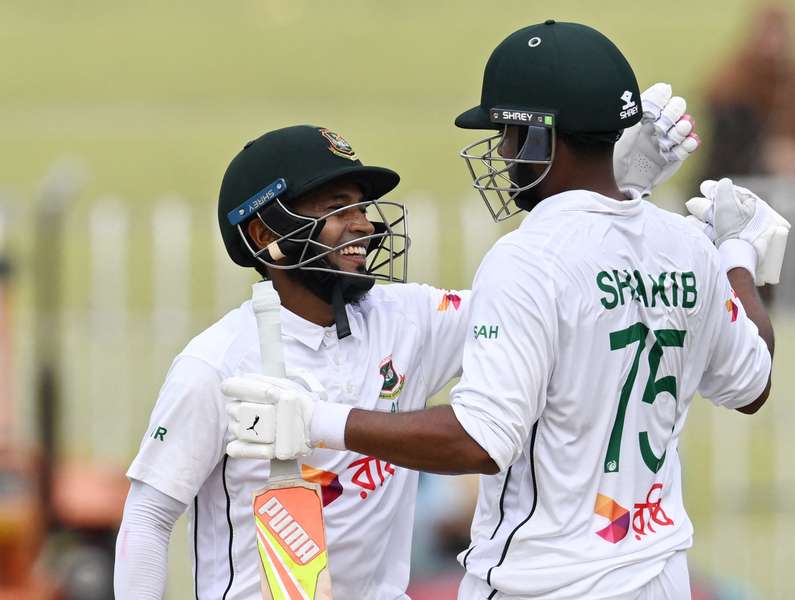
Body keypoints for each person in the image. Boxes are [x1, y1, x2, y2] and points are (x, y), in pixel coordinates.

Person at [222, 21, 788, 600]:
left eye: (510, 133)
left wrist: (317, 419)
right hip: (659, 572)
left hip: (545, 581)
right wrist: (737, 252)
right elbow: (753, 381)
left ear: (544, 138)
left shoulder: (527, 257)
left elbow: (480, 441)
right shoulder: (689, 247)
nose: (501, 150)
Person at [115, 106, 697, 598]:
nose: (363, 225)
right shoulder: (214, 364)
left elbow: (553, 303)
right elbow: (148, 517)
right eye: (335, 209)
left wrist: (617, 190)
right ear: (264, 234)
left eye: (361, 207)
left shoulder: (409, 320)